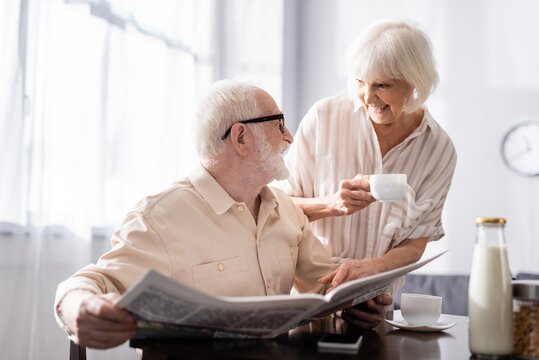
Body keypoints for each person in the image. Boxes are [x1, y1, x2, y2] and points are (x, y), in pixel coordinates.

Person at [54, 79, 392, 350]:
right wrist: (80, 309)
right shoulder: (159, 217)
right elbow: (90, 283)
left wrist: (360, 301)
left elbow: (325, 285)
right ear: (241, 137)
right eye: (279, 124)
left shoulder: (285, 209)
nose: (289, 137)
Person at [278, 20, 457, 295]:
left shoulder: (438, 149)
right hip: (310, 301)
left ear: (415, 83)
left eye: (382, 85)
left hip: (377, 302)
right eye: (360, 81)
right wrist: (332, 204)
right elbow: (279, 209)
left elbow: (416, 242)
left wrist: (372, 273)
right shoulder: (324, 118)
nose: (368, 97)